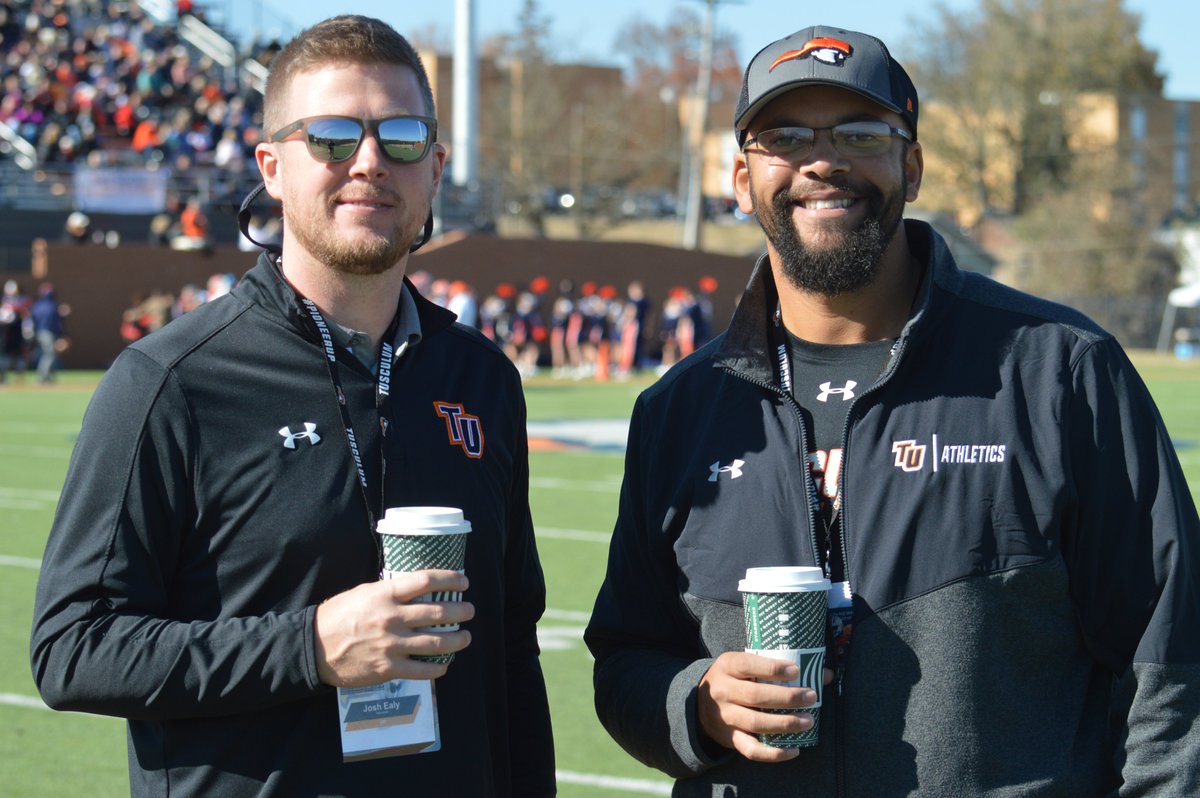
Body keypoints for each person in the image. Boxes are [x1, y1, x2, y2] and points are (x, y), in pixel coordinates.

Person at [584, 24, 1200, 796]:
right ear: (741, 180)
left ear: (911, 164)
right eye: (783, 137)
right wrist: (699, 706)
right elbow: (626, 660)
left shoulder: (1061, 370)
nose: (822, 160)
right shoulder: (679, 410)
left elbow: (1173, 667)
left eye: (860, 132)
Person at [31, 15, 554, 798]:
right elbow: (74, 648)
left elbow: (512, 647)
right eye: (334, 137)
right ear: (272, 167)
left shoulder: (481, 378)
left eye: (402, 137)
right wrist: (309, 646)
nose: (370, 162)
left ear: (437, 168)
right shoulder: (169, 381)